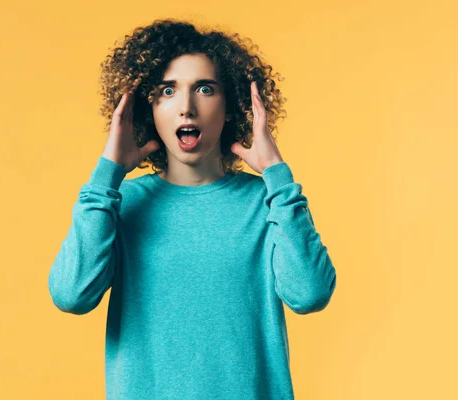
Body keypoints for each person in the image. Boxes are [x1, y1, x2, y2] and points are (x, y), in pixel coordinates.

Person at [48, 18, 337, 400]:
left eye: (204, 88)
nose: (186, 107)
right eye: (167, 91)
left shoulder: (266, 202)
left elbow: (310, 293)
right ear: (146, 109)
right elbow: (71, 294)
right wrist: (107, 177)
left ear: (231, 106)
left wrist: (278, 179)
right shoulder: (123, 204)